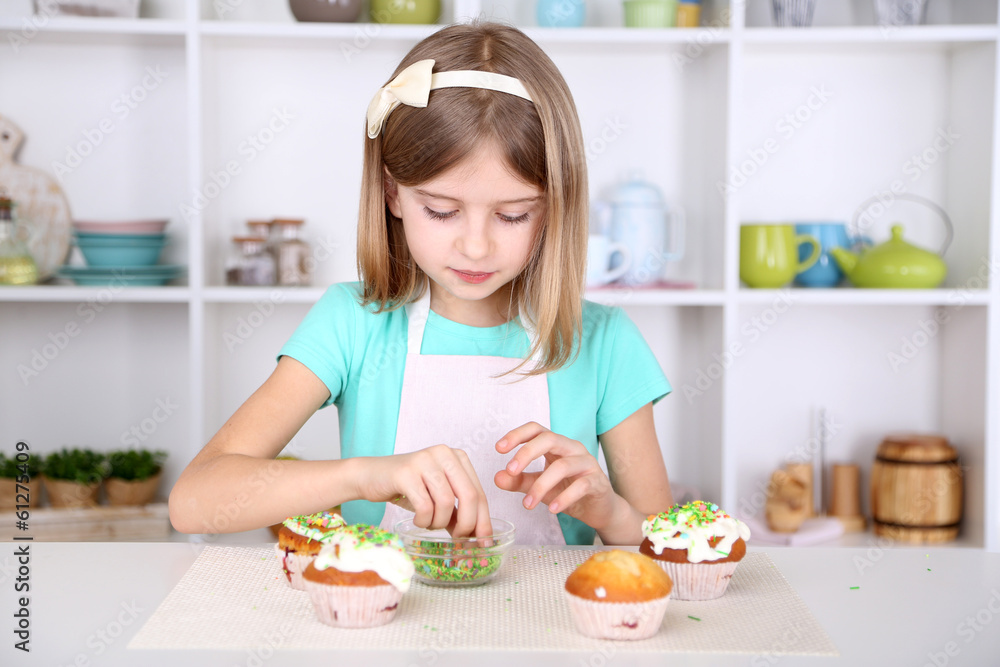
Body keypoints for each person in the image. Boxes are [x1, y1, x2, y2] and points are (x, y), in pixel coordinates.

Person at [169, 21, 673, 546]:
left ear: (554, 209)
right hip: (385, 625)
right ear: (392, 194)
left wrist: (610, 512)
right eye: (441, 210)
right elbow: (194, 502)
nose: (475, 246)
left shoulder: (605, 342)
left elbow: (666, 552)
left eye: (514, 216)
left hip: (547, 629)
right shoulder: (353, 323)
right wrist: (368, 476)